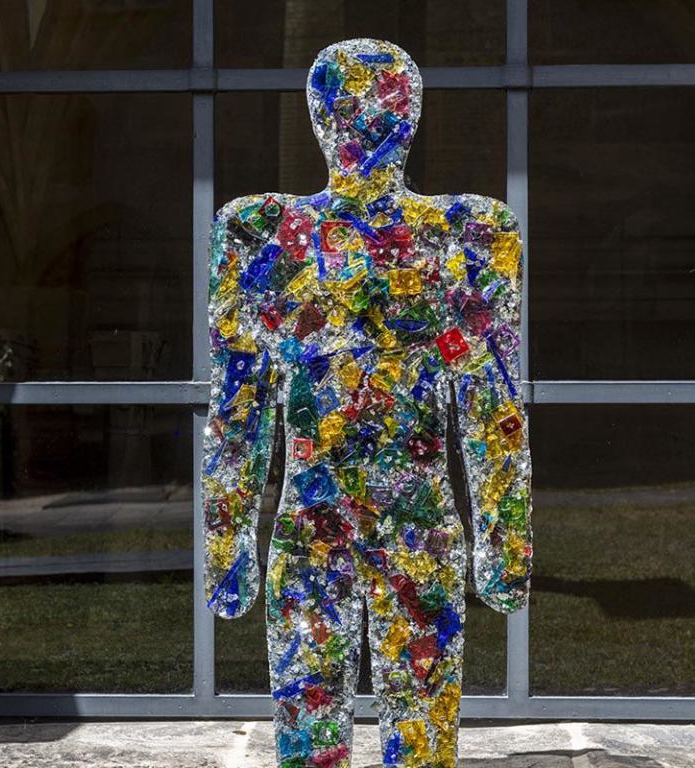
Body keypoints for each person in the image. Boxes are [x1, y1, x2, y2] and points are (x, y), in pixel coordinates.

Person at [200, 37, 533, 768]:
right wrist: (227, 542)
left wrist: (505, 540)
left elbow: (494, 406)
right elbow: (238, 407)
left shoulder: (463, 236)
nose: (367, 125)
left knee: (413, 732)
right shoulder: (267, 237)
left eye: (378, 109)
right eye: (353, 110)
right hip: (328, 523)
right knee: (315, 728)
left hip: (403, 524)